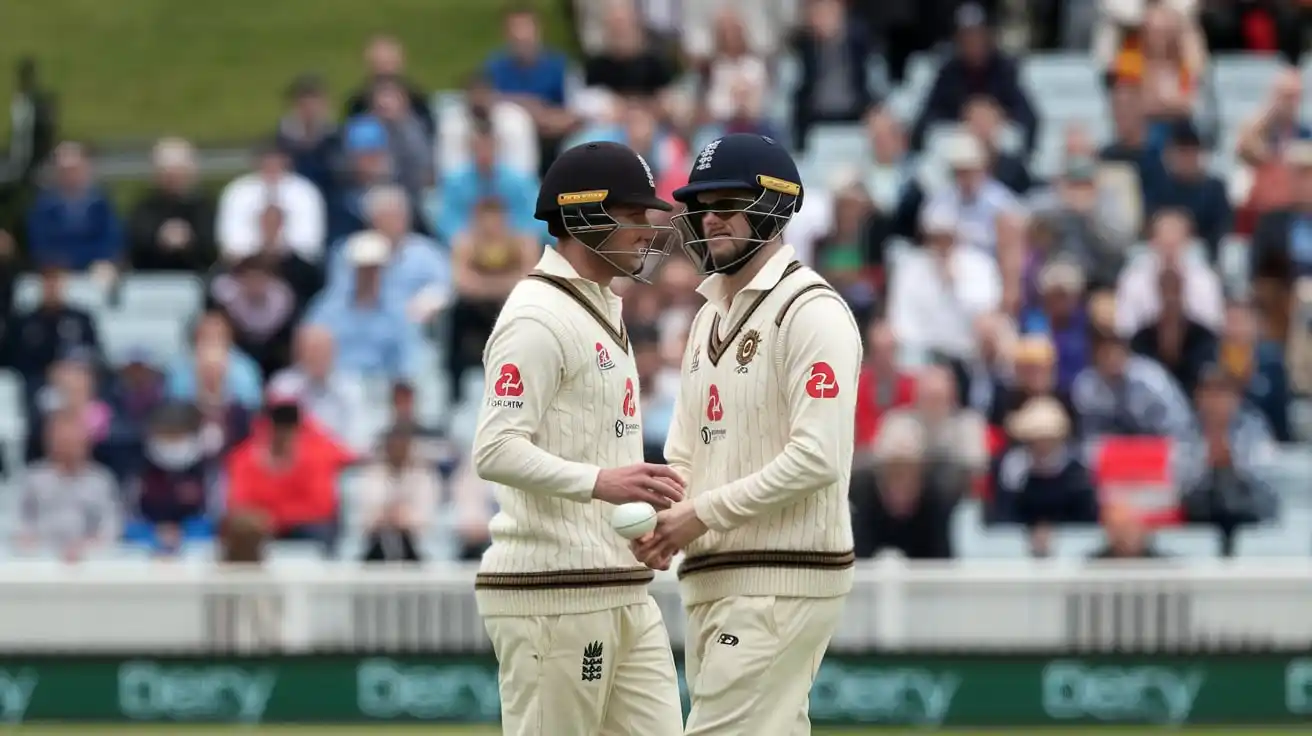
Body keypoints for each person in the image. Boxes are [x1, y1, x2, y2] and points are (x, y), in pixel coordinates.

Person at [632, 133, 863, 735]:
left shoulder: (811, 311)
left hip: (782, 574)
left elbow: (817, 459)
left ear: (773, 206)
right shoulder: (709, 314)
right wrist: (669, 520)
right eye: (702, 205)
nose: (711, 218)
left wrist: (700, 515)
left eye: (728, 203)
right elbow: (684, 446)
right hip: (715, 574)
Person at [470, 141, 686, 736]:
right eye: (636, 216)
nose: (649, 231)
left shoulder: (604, 307)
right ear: (586, 216)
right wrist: (601, 483)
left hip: (620, 582)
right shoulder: (537, 317)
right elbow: (494, 449)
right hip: (551, 590)